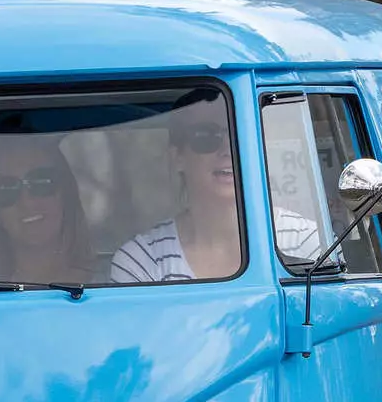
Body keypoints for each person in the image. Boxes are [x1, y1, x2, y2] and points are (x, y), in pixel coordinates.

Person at [108, 90, 324, 283]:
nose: (227, 149)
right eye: (206, 136)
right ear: (177, 157)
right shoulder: (141, 260)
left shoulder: (307, 241)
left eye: (238, 135)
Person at [0, 135, 96, 284]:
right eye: (6, 188)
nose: (27, 202)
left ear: (66, 192)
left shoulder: (118, 287)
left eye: (41, 182)